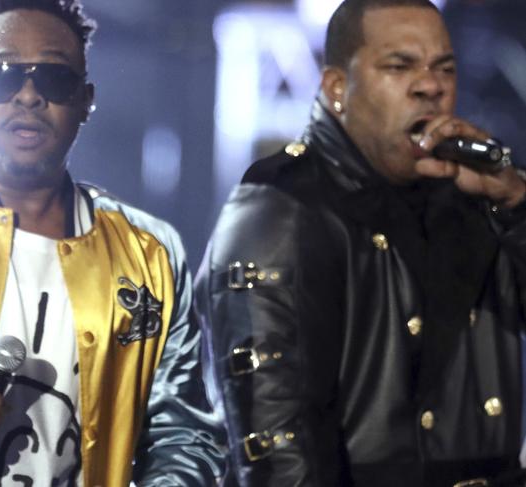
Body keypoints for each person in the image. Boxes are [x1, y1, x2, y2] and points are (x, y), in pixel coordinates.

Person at [0, 0, 225, 485]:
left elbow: (184, 434)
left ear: (86, 99)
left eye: (52, 78)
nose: (26, 95)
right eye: (0, 75)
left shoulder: (150, 253)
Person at [195, 0, 526, 485]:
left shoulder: (475, 196)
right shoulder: (280, 212)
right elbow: (278, 451)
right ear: (337, 89)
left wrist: (516, 203)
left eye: (444, 69)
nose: (430, 86)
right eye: (400, 66)